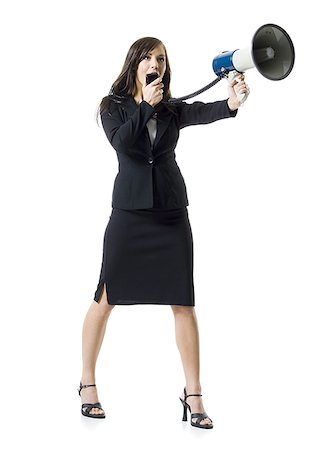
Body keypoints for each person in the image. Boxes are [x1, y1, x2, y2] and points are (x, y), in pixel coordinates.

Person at [78, 36, 249, 429]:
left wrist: (233, 102)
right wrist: (145, 106)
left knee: (183, 302)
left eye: (163, 58)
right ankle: (87, 382)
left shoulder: (170, 108)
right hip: (129, 215)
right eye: (150, 57)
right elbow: (122, 143)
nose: (157, 63)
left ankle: (193, 393)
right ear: (135, 63)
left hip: (171, 213)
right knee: (106, 297)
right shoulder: (113, 107)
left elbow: (201, 111)